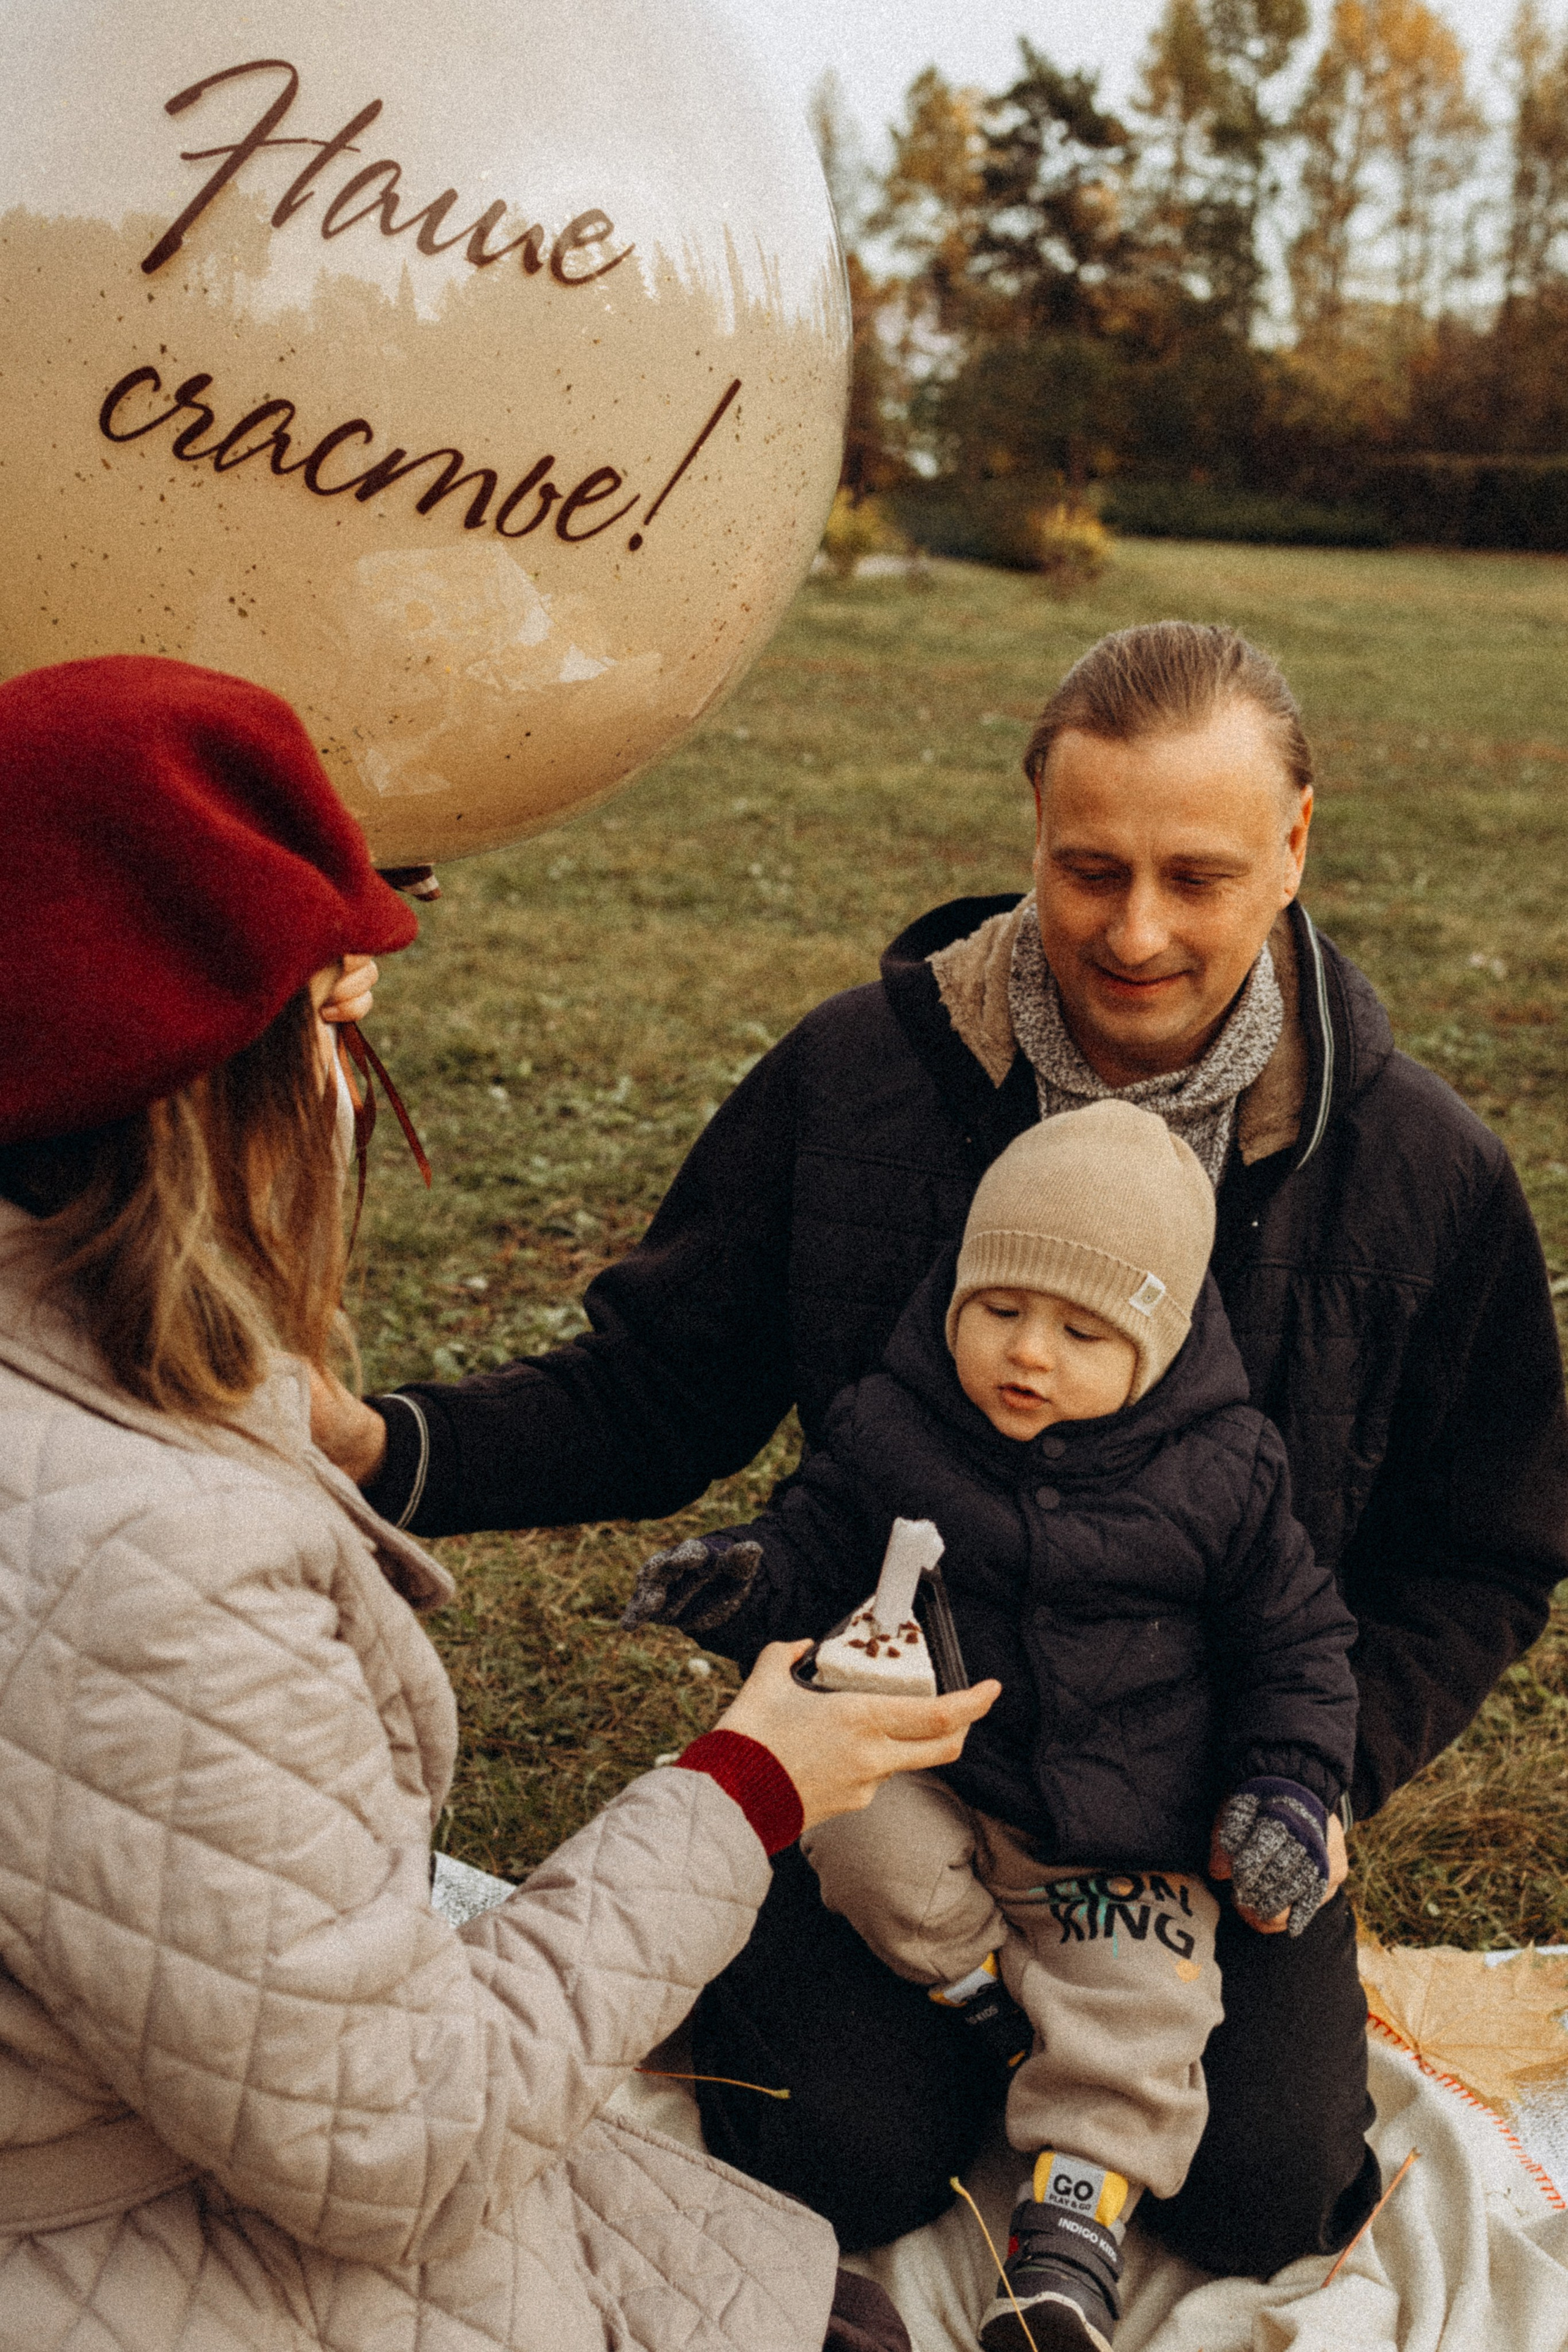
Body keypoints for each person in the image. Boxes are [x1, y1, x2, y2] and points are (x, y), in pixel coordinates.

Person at [313, 620, 1568, 2278]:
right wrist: (381, 1442)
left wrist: (1315, 1776)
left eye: (1195, 877)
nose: (1134, 931)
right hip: (889, 1767)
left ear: (1294, 849)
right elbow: (656, 1392)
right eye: (1087, 868)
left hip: (1199, 1799)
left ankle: (1113, 2066)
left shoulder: (1420, 1171)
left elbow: (1483, 1545)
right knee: (832, 2146)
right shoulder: (859, 1081)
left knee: (1260, 2196)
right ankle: (953, 2035)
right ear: (1031, 841)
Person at [0, 653, 998, 2352]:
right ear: (192, 1090)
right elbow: (397, 2145)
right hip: (159, 2242)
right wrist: (747, 1783)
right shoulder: (142, 1571)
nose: (351, 1087)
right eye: (323, 1025)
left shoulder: (93, 1359)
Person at [621, 1100, 1360, 2352]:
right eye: (999, 1309)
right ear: (951, 1294)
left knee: (1140, 1997)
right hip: (945, 1778)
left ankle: (1068, 2237)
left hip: (1123, 1826)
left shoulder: (1225, 1475)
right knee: (852, 1841)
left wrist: (1287, 1788)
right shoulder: (892, 1427)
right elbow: (814, 1545)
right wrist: (748, 1576)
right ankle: (990, 1998)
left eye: (1083, 1330)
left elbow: (1297, 1648)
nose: (1029, 1353)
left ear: (1160, 1340)